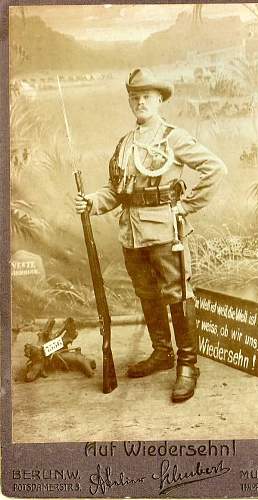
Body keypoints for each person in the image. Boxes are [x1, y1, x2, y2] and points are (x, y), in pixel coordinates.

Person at [75, 68, 227, 402]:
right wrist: (92, 202)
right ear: (130, 102)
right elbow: (117, 190)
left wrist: (186, 206)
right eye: (135, 97)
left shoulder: (172, 137)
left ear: (159, 101)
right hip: (131, 234)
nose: (140, 102)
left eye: (147, 97)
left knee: (177, 293)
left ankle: (187, 364)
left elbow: (214, 168)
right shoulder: (125, 143)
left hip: (164, 232)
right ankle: (162, 353)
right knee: (147, 293)